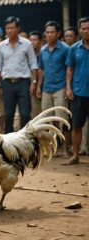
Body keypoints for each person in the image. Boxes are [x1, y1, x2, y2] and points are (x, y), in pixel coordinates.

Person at [0, 16, 38, 134]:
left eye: (12, 28)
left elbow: (33, 64)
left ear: (18, 28)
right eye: (7, 28)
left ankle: (26, 140)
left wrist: (34, 82)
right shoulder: (1, 45)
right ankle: (9, 143)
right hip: (7, 84)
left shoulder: (27, 44)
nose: (9, 31)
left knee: (25, 114)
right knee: (8, 114)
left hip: (23, 83)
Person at [36, 21, 70, 157]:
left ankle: (66, 149)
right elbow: (41, 70)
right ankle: (51, 148)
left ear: (58, 33)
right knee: (48, 121)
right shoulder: (43, 50)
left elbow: (69, 69)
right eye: (47, 32)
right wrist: (38, 85)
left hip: (60, 87)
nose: (49, 34)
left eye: (52, 32)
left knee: (63, 119)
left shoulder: (65, 49)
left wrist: (68, 87)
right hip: (46, 88)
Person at [64, 17, 89, 165]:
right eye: (84, 28)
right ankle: (75, 155)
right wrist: (68, 87)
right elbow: (70, 69)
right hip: (78, 92)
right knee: (76, 125)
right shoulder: (74, 49)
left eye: (88, 28)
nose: (86, 31)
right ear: (79, 30)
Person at [29, 31, 43, 118]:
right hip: (30, 84)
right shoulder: (27, 54)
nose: (32, 42)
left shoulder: (44, 53)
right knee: (33, 110)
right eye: (31, 40)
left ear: (41, 41)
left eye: (35, 40)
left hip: (44, 84)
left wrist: (38, 84)